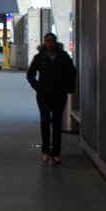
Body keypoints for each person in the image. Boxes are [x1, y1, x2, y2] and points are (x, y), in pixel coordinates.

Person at [26, 32, 77, 165]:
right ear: (44, 43)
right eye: (47, 41)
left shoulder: (63, 56)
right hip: (43, 95)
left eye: (52, 41)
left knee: (57, 123)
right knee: (45, 121)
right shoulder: (39, 58)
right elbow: (30, 75)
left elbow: (72, 72)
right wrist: (38, 87)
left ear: (55, 42)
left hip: (59, 94)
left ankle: (56, 153)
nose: (50, 44)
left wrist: (68, 87)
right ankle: (45, 151)